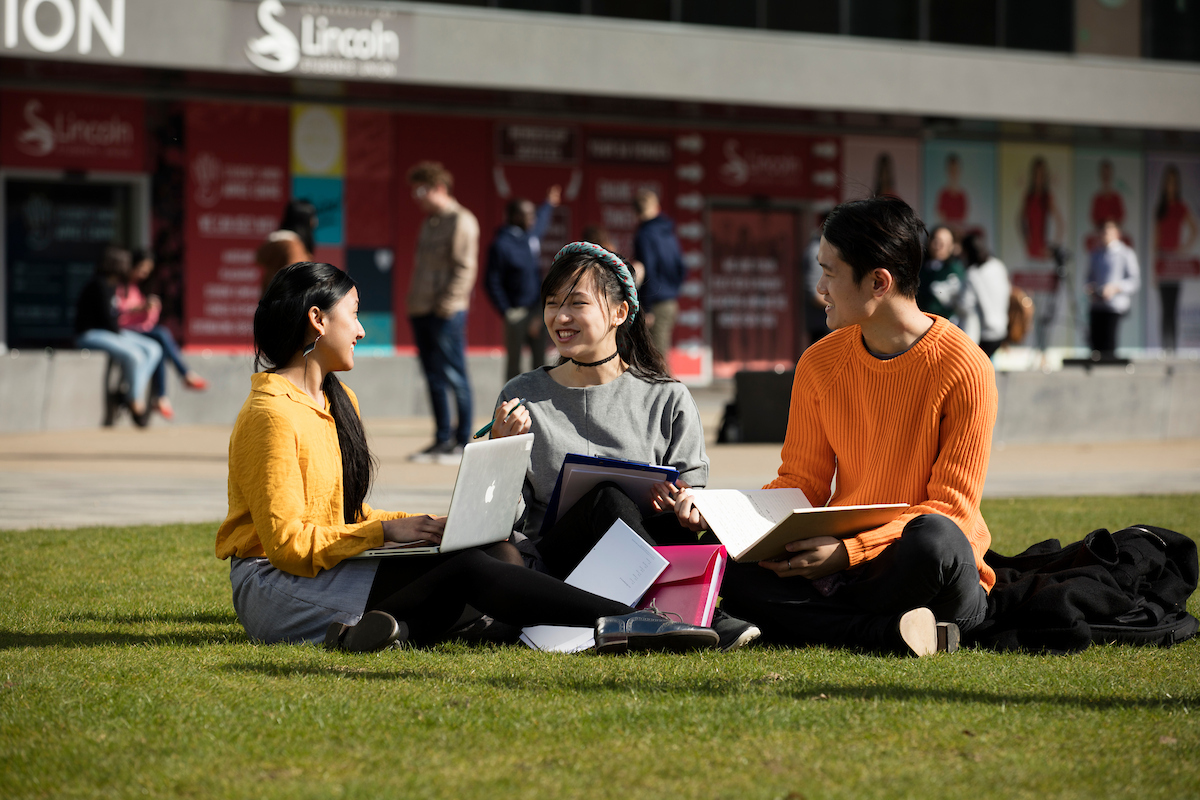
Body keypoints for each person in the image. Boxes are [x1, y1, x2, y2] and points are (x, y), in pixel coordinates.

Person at [215, 261, 718, 654]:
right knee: (467, 573)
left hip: (331, 568)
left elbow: (341, 518)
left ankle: (388, 632)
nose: (361, 330)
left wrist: (418, 524)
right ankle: (628, 622)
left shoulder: (333, 401)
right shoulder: (271, 415)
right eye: (354, 314)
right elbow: (285, 545)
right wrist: (386, 532)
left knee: (488, 556)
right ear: (317, 320)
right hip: (277, 585)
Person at [673, 196, 999, 657]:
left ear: (878, 281)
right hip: (842, 569)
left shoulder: (965, 367)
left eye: (830, 272)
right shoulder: (820, 361)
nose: (819, 286)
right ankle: (888, 633)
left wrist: (850, 552)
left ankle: (840, 625)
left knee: (933, 539)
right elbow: (800, 482)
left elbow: (952, 511)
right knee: (728, 559)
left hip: (918, 567)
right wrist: (728, 516)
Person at [487, 241, 760, 651]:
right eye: (551, 303)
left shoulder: (667, 397)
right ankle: (683, 615)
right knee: (606, 498)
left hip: (653, 547)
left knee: (673, 521)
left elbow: (694, 492)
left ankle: (666, 613)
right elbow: (507, 518)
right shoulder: (522, 394)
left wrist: (685, 503)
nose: (560, 317)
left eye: (576, 303)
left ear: (619, 313)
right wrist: (501, 452)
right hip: (560, 566)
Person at [405, 161, 480, 464]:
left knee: (454, 375)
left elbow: (465, 269)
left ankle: (463, 442)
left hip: (445, 312)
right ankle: (441, 440)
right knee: (433, 377)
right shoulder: (430, 222)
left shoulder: (461, 220)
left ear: (438, 188)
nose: (417, 198)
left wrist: (446, 307)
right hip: (421, 309)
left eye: (421, 191)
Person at [74, 246, 163, 426]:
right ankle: (134, 400)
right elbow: (108, 320)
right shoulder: (98, 284)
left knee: (154, 349)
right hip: (90, 334)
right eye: (124, 263)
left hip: (111, 332)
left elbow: (114, 320)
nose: (128, 266)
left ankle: (129, 393)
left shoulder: (114, 285)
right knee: (135, 355)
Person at [116, 248, 208, 420]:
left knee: (159, 345)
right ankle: (181, 377)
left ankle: (162, 396)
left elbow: (145, 321)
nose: (144, 273)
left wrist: (151, 308)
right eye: (142, 268)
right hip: (125, 333)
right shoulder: (120, 286)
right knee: (162, 334)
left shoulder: (136, 288)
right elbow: (117, 314)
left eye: (148, 270)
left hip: (139, 331)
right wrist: (141, 308)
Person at [484, 186, 561, 381]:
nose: (533, 219)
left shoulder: (529, 237)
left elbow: (541, 222)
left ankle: (539, 409)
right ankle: (511, 408)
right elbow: (491, 281)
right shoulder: (501, 245)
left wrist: (549, 203)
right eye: (528, 215)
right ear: (516, 217)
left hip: (536, 311)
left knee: (540, 364)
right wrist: (507, 311)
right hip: (516, 312)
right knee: (514, 366)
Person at [632, 189, 687, 359]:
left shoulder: (644, 235)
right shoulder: (667, 232)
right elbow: (682, 268)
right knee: (657, 354)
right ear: (657, 207)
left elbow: (648, 270)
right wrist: (672, 289)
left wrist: (646, 307)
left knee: (656, 358)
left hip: (655, 303)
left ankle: (672, 387)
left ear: (636, 212)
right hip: (670, 301)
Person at [1153, 164, 1198, 351]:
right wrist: (1154, 268)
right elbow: (1155, 239)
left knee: (1173, 309)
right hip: (1163, 261)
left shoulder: (1181, 207)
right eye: (1168, 182)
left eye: (1173, 182)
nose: (1170, 186)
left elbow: (1194, 229)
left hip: (1175, 263)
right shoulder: (1160, 208)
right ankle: (1165, 348)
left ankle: (1174, 350)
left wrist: (1183, 248)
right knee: (1164, 310)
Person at [1086, 219, 1140, 358]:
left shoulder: (1126, 253)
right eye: (1102, 232)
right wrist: (1091, 288)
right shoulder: (1096, 254)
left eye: (1107, 232)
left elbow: (1134, 281)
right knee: (1095, 345)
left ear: (1117, 233)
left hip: (1114, 306)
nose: (1104, 235)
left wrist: (1115, 288)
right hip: (1097, 305)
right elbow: (1088, 277)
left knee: (1109, 343)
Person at [958, 233, 1011, 358]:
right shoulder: (998, 265)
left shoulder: (973, 273)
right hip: (1001, 328)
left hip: (983, 332)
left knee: (976, 371)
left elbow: (965, 305)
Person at [257, 199, 316, 291]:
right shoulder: (293, 245)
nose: (315, 222)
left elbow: (258, 258)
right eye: (312, 218)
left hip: (268, 297)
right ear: (303, 219)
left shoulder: (274, 240)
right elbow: (297, 275)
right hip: (286, 300)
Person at [916, 225, 967, 324]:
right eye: (936, 241)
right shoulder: (920, 268)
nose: (939, 246)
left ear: (951, 246)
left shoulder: (955, 270)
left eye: (944, 243)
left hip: (948, 325)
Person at [1019, 157, 1064, 261]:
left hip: (1044, 253)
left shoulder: (1047, 197)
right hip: (1030, 252)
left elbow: (1060, 223)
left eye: (1041, 175)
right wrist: (1026, 240)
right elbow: (1021, 220)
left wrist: (1053, 247)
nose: (1038, 178)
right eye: (1036, 174)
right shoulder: (1028, 197)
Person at [936, 153, 969, 236]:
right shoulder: (944, 194)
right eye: (951, 170)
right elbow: (941, 215)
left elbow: (964, 217)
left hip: (959, 233)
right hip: (947, 232)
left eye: (955, 169)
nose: (953, 172)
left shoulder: (962, 195)